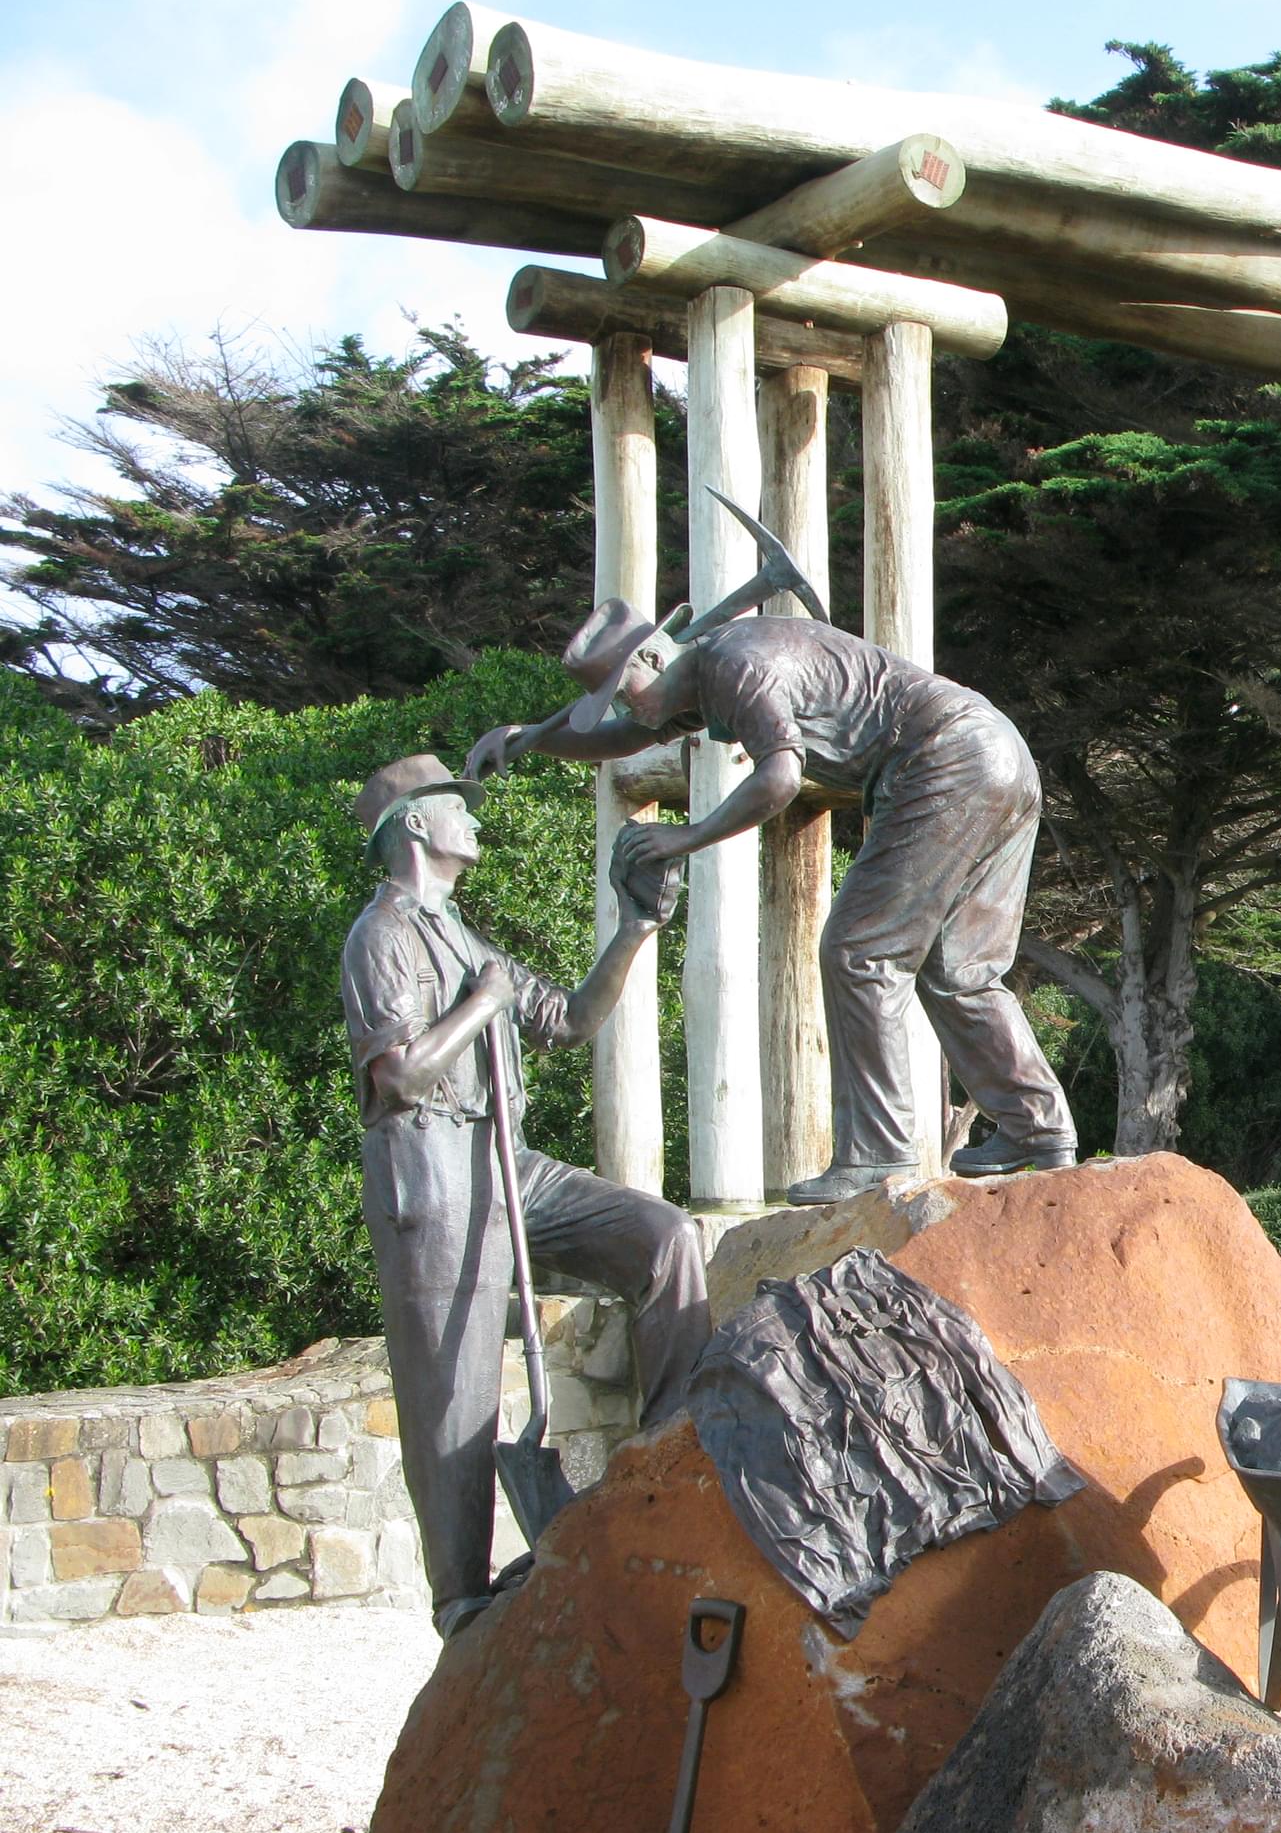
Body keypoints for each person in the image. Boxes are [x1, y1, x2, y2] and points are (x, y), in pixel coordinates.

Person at [466, 606, 1077, 1201]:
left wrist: (688, 836)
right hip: (999, 753)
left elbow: (779, 779)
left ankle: (876, 1154)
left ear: (652, 655)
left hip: (944, 758)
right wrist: (529, 740)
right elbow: (625, 736)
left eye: (625, 691)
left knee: (860, 953)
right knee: (959, 972)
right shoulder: (700, 675)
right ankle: (1036, 1129)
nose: (628, 708)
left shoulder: (735, 666)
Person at [340, 754, 708, 1639]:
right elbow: (394, 1078)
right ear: (417, 827)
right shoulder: (381, 934)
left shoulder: (463, 935)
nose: (472, 818)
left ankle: (673, 1455)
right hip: (428, 1161)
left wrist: (634, 925)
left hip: (504, 1155)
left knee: (662, 1240)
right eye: (454, 808)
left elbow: (572, 1018)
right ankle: (460, 1595)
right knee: (453, 1384)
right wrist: (482, 1006)